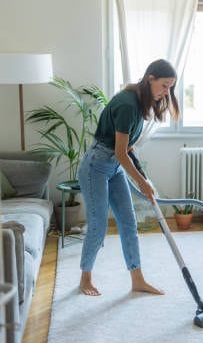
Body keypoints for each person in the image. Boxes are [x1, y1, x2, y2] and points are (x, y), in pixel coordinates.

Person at [78, 59, 180, 296]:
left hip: (114, 167)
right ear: (150, 78)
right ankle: (85, 279)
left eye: (170, 88)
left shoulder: (140, 103)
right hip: (96, 166)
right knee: (98, 225)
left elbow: (127, 150)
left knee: (128, 222)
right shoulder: (127, 104)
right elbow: (120, 152)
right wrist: (142, 183)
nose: (167, 92)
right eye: (165, 85)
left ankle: (137, 279)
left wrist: (145, 178)